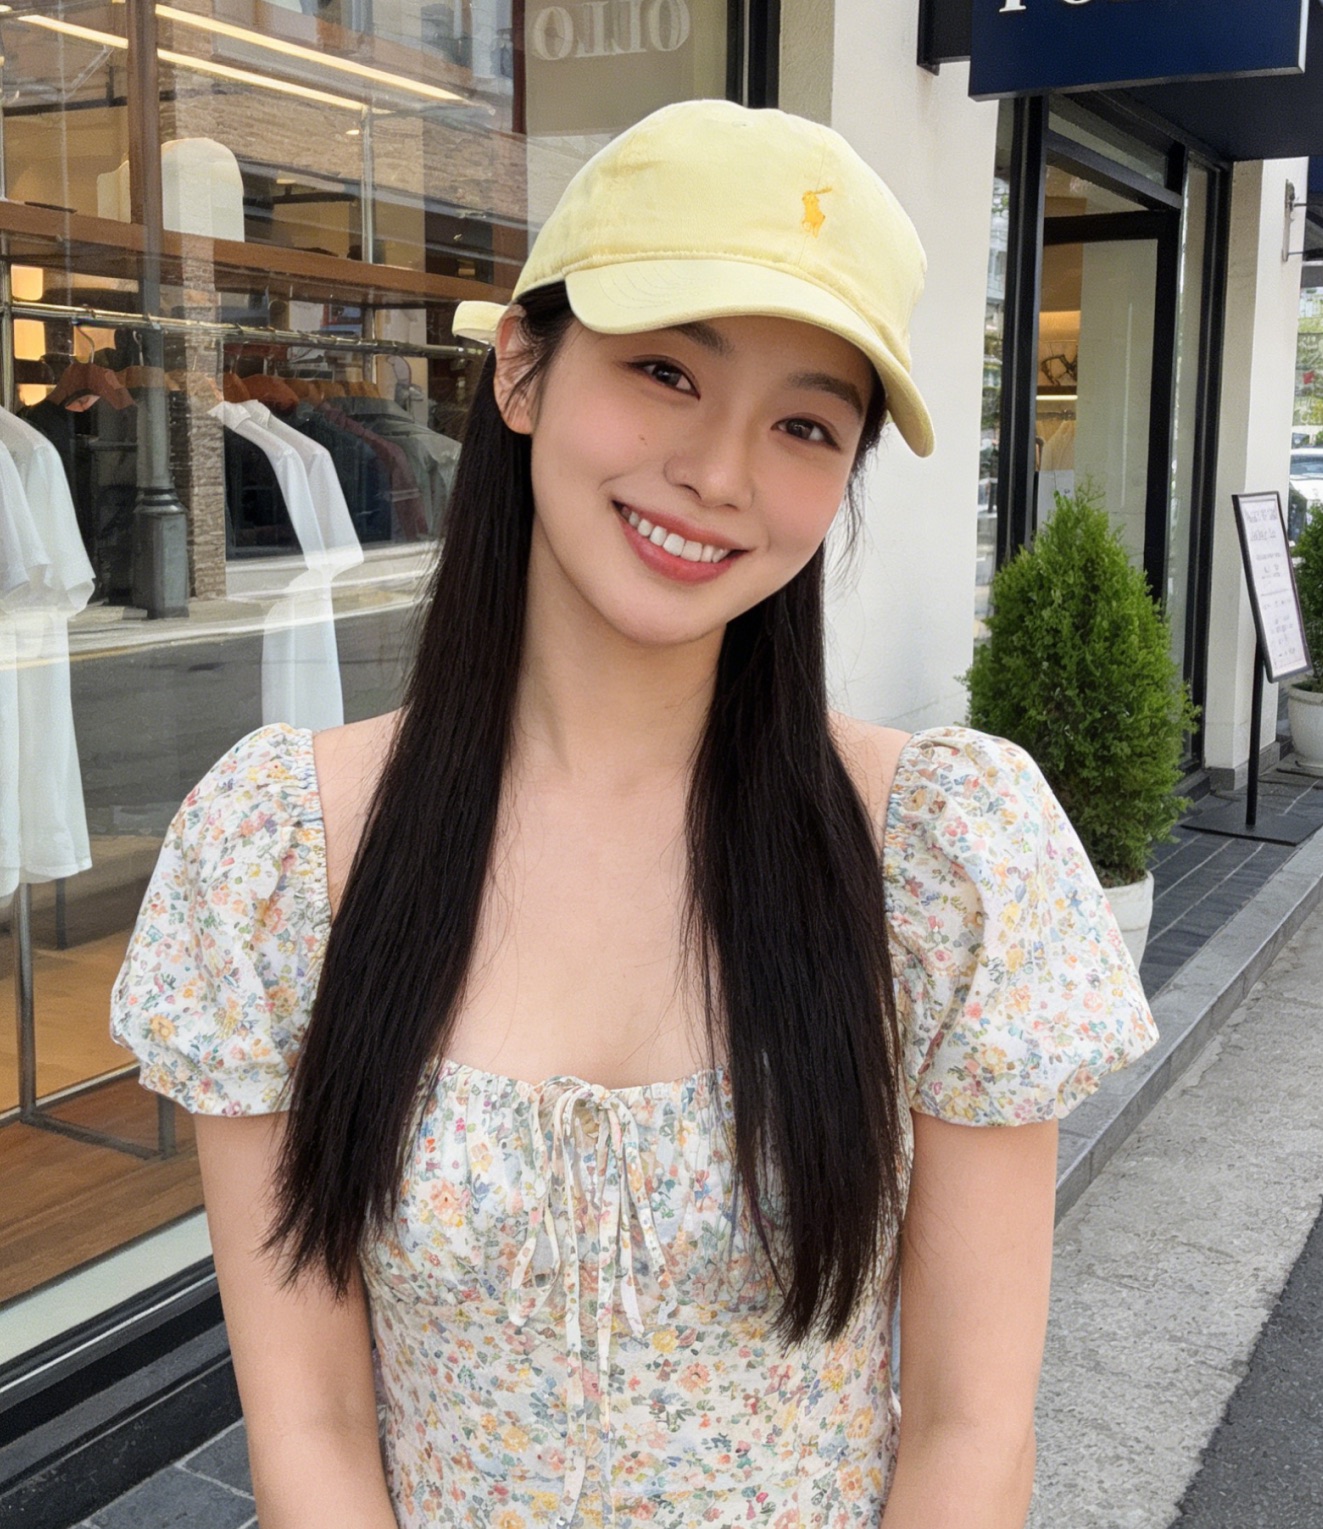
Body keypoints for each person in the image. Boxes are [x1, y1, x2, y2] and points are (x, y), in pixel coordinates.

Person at [110, 100, 1156, 1529]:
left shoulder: (938, 854)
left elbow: (971, 1426)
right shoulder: (285, 851)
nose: (720, 473)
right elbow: (310, 1422)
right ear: (521, 368)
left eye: (804, 424)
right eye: (666, 370)